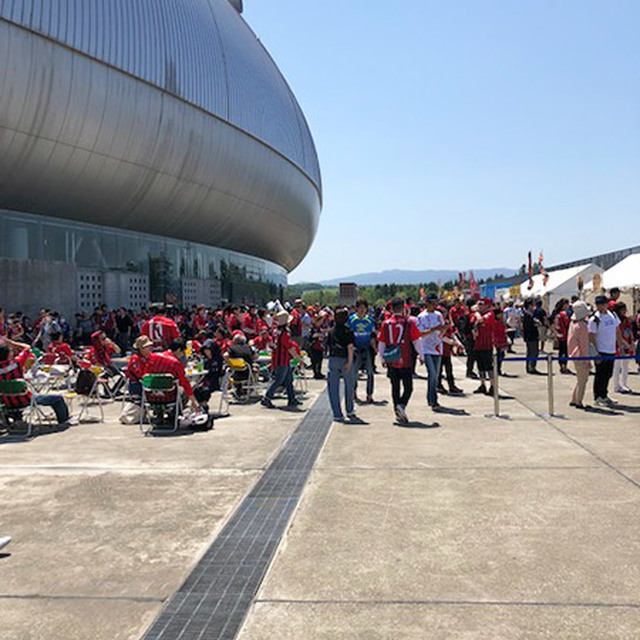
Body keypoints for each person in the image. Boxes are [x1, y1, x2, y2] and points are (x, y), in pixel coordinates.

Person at [0, 336, 73, 427]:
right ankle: (64, 421)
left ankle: (16, 419)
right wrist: (12, 343)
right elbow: (27, 348)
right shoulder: (16, 363)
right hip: (26, 400)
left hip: (7, 402)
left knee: (13, 394)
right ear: (8, 355)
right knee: (58, 399)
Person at [376, 297, 422, 424]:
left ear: (391, 308)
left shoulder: (386, 323)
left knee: (395, 386)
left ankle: (397, 409)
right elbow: (416, 341)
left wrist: (382, 358)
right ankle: (401, 405)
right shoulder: (409, 322)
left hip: (392, 358)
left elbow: (381, 343)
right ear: (403, 307)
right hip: (406, 358)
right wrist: (421, 355)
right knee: (408, 387)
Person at [261, 311, 302, 409]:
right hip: (282, 359)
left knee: (288, 380)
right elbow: (290, 348)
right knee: (279, 380)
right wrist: (298, 359)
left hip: (279, 358)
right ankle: (267, 397)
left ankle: (292, 399)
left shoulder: (276, 331)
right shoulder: (285, 334)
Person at [145, 339, 199, 411]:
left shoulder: (152, 357)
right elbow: (184, 383)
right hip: (169, 397)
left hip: (150, 395)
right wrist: (193, 400)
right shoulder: (175, 363)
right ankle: (176, 411)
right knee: (190, 386)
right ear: (179, 350)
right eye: (183, 352)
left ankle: (159, 412)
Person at [588, 295, 622, 407]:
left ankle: (604, 395)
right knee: (600, 375)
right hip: (601, 350)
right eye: (600, 305)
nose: (603, 306)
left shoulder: (612, 315)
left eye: (604, 304)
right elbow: (591, 336)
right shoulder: (595, 319)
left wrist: (620, 345)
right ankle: (598, 396)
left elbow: (617, 330)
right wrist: (595, 353)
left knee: (608, 374)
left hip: (611, 349)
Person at [415, 293, 446, 410]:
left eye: (436, 302)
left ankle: (430, 397)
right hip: (426, 348)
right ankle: (434, 400)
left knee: (436, 375)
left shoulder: (439, 315)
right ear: (427, 303)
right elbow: (420, 333)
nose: (435, 305)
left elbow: (442, 328)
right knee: (432, 374)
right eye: (432, 302)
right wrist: (434, 329)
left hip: (438, 347)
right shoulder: (421, 316)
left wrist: (444, 328)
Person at [326, 308, 356, 421]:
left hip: (333, 359)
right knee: (349, 386)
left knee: (333, 388)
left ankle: (337, 413)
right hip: (345, 358)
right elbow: (350, 347)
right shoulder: (349, 331)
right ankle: (349, 409)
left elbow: (328, 346)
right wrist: (350, 361)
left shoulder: (331, 331)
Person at [348, 299, 376, 403]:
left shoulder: (369, 319)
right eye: (359, 307)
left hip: (367, 346)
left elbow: (373, 335)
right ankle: (354, 391)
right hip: (356, 347)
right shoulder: (352, 319)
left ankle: (369, 394)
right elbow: (349, 334)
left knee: (370, 371)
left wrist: (375, 348)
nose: (362, 310)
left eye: (364, 307)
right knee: (354, 372)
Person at [567, 301, 591, 408]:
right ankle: (579, 401)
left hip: (573, 354)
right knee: (583, 380)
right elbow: (584, 345)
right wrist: (587, 359)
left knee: (579, 379)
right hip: (581, 355)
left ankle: (574, 398)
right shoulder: (582, 326)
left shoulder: (573, 324)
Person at [471, 298, 496, 395]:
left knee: (489, 367)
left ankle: (492, 386)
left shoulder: (490, 315)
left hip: (487, 344)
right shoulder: (477, 315)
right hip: (478, 344)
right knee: (480, 367)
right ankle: (482, 385)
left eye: (481, 304)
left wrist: (476, 312)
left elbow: (481, 320)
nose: (479, 306)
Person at [612, 301, 634, 394]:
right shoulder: (616, 320)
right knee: (617, 366)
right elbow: (618, 334)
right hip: (618, 345)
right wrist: (624, 343)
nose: (624, 311)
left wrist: (632, 342)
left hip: (627, 344)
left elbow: (630, 330)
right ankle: (616, 385)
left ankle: (624, 384)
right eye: (623, 309)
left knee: (625, 365)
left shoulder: (626, 319)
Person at [523, 299, 542, 374]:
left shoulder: (530, 313)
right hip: (531, 335)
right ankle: (531, 367)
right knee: (533, 352)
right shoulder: (527, 314)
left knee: (531, 352)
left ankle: (530, 367)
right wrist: (535, 324)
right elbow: (528, 325)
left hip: (531, 335)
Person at [553, 299, 571, 374]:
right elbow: (568, 324)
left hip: (559, 335)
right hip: (565, 335)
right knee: (565, 352)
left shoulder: (557, 314)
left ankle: (561, 366)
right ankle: (564, 367)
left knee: (561, 351)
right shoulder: (563, 314)